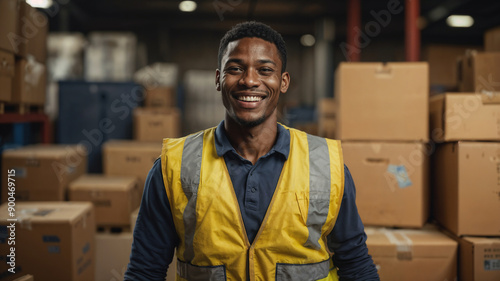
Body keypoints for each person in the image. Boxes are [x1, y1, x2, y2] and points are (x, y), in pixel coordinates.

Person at [124, 21, 379, 281]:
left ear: (283, 81)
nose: (249, 80)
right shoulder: (174, 166)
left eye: (265, 70)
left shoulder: (326, 166)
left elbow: (355, 263)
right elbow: (145, 271)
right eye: (235, 69)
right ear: (218, 79)